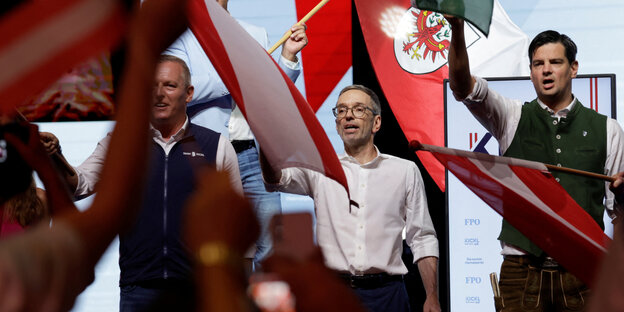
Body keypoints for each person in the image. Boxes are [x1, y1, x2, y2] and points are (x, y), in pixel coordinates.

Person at [448, 17, 624, 311]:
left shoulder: (609, 129)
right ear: (530, 72)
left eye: (555, 62)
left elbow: (617, 213)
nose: (546, 70)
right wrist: (457, 31)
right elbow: (462, 87)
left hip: (584, 270)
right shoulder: (510, 116)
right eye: (537, 64)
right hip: (521, 271)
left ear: (574, 68)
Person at [260, 85, 441, 312]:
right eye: (342, 110)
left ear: (376, 123)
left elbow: (422, 237)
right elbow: (273, 179)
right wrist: (263, 134)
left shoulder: (405, 170)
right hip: (333, 294)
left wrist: (432, 296)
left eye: (358, 109)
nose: (348, 116)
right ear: (336, 124)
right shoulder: (321, 168)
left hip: (388, 296)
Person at [164, 0, 308, 265]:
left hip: (253, 154)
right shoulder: (179, 36)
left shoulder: (254, 33)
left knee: (268, 247)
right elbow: (179, 89)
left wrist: (287, 57)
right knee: (209, 245)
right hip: (204, 156)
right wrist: (235, 75)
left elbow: (269, 95)